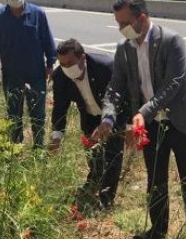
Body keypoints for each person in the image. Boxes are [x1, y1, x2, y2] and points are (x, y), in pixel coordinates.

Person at [93, 0, 186, 239]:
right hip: (151, 126)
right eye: (118, 23)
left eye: (123, 23)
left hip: (182, 120)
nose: (120, 29)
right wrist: (108, 117)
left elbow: (174, 84)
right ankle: (157, 231)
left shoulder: (171, 41)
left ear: (142, 18)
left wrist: (143, 111)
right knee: (155, 179)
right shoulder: (124, 49)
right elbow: (116, 86)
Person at [48, 39, 127, 212]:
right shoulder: (61, 76)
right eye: (62, 63)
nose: (66, 67)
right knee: (92, 152)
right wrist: (57, 136)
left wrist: (109, 121)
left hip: (113, 115)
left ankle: (106, 199)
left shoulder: (105, 67)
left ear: (83, 58)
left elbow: (118, 95)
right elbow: (60, 107)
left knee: (112, 156)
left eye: (70, 63)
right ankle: (94, 178)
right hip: (89, 114)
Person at [0, 0, 56, 148]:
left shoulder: (38, 14)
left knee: (38, 114)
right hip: (11, 75)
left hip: (36, 74)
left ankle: (38, 147)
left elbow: (48, 40)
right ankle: (15, 146)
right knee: (13, 114)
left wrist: (50, 65)